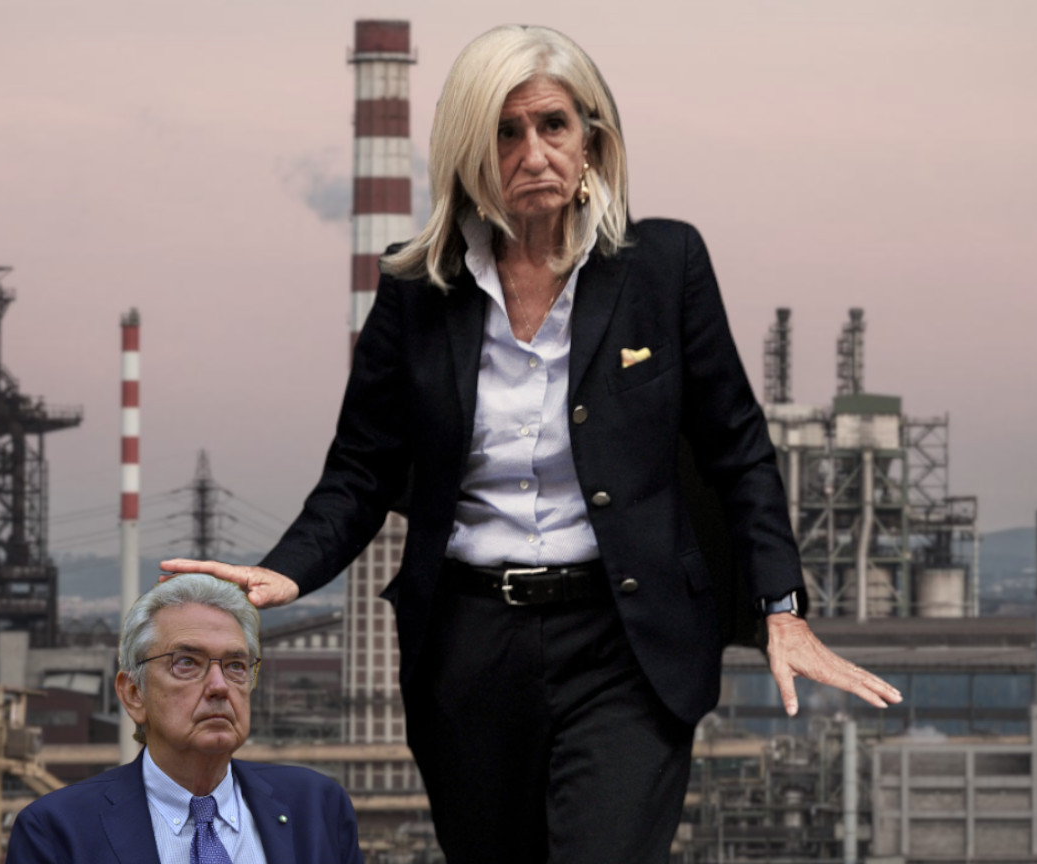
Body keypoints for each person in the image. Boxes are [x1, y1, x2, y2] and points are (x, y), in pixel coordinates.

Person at [161, 23, 901, 864]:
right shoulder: (416, 289)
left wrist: (783, 610)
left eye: (553, 125)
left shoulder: (664, 266)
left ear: (592, 141)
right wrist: (288, 570)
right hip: (469, 648)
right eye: (506, 133)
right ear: (470, 154)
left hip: (625, 641)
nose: (533, 152)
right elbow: (361, 470)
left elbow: (740, 449)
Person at [5, 573, 363, 864]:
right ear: (134, 693)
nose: (219, 686)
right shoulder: (58, 831)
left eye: (236, 666)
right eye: (187, 663)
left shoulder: (317, 807)